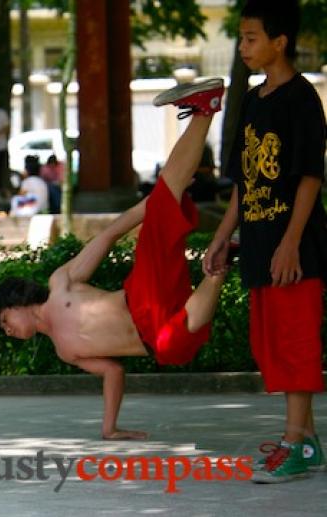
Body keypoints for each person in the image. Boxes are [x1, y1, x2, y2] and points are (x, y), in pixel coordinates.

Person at [0, 79, 227, 441]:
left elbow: (107, 236)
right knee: (172, 349)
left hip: (141, 295)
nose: (8, 330)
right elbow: (114, 372)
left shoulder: (60, 285)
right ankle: (221, 265)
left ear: (16, 302)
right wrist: (109, 428)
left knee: (166, 196)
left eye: (5, 320)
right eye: (4, 330)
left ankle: (205, 109)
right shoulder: (66, 352)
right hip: (154, 337)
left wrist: (153, 203)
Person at [202, 0, 327, 483]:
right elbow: (243, 180)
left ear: (280, 42)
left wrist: (292, 242)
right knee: (272, 345)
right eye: (241, 37)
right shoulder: (254, 100)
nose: (243, 46)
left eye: (252, 37)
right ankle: (308, 442)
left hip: (293, 247)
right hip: (258, 242)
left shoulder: (302, 99)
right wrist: (220, 237)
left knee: (296, 345)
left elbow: (311, 176)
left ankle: (293, 444)